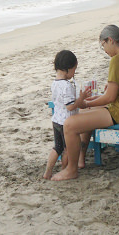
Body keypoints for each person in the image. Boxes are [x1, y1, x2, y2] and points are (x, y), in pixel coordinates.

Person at [51, 25, 119, 181]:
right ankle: (80, 158)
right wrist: (90, 102)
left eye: (103, 45)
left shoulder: (118, 59)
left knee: (70, 124)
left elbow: (109, 97)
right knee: (82, 112)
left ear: (110, 40)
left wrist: (88, 102)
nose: (104, 49)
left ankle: (71, 169)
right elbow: (116, 93)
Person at [44, 50, 89, 179]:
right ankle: (64, 170)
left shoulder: (55, 83)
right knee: (67, 150)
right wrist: (80, 100)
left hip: (56, 120)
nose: (74, 73)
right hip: (66, 123)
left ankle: (48, 171)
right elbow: (70, 106)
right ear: (67, 69)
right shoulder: (66, 86)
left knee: (57, 147)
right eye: (74, 69)